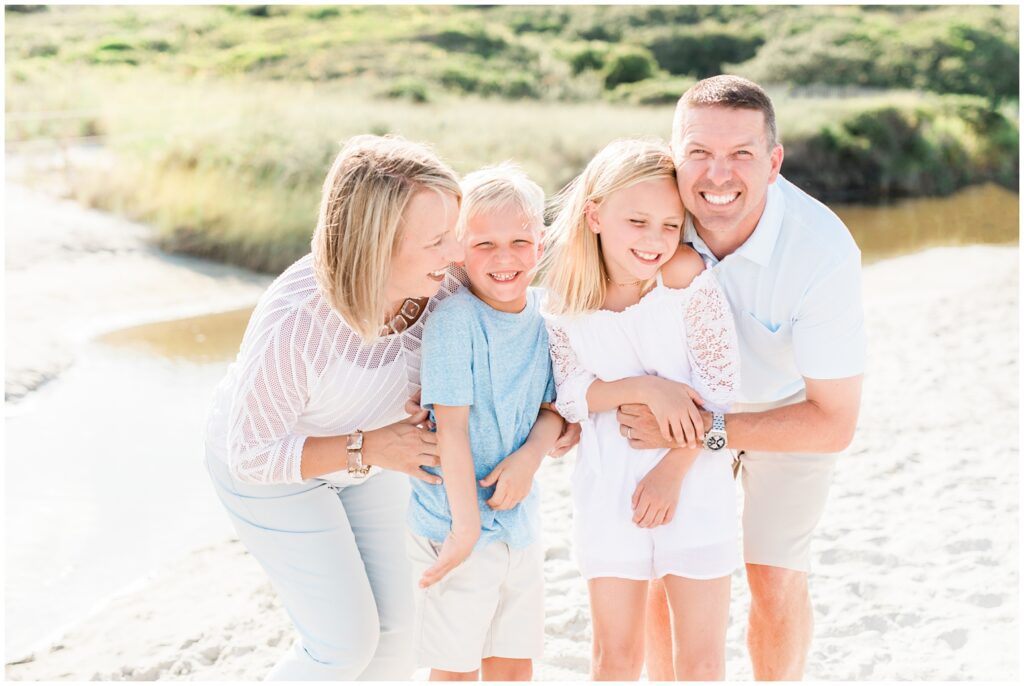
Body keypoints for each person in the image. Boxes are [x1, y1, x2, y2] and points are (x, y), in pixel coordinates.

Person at [619, 75, 866, 680]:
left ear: (774, 161)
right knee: (661, 572)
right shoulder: (648, 215)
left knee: (774, 579)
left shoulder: (822, 252)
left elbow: (834, 425)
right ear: (673, 155)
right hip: (677, 408)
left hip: (788, 417)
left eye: (741, 155)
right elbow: (566, 292)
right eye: (699, 153)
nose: (717, 175)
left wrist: (704, 434)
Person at [203, 134, 468, 680]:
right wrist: (368, 447)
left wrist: (550, 420)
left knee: (402, 632)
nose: (457, 253)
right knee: (344, 644)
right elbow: (250, 453)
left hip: (372, 459)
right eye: (439, 239)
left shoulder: (443, 286)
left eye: (455, 234)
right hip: (270, 468)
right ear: (376, 242)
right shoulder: (297, 320)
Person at [541, 138, 742, 680]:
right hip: (609, 488)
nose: (655, 241)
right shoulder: (564, 296)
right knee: (615, 658)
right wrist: (645, 389)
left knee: (698, 662)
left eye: (670, 225)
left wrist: (673, 472)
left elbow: (722, 389)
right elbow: (570, 393)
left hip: (695, 482)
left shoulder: (681, 278)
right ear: (595, 214)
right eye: (638, 221)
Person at [406, 163, 565, 681]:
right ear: (459, 249)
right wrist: (466, 530)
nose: (504, 259)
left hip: (518, 523)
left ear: (540, 244)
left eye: (519, 241)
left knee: (514, 663)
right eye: (484, 245)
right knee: (455, 670)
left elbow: (552, 409)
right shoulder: (456, 323)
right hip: (456, 524)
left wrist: (530, 456)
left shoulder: (546, 317)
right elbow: (450, 431)